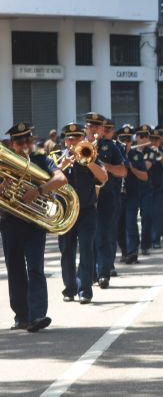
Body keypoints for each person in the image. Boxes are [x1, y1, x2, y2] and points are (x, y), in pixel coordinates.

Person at [0, 122, 67, 332]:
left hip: (34, 224)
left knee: (36, 268)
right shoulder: (4, 163)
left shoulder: (40, 159)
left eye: (28, 140)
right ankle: (21, 315)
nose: (26, 145)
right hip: (10, 222)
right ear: (13, 143)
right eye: (20, 142)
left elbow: (61, 178)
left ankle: (38, 314)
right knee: (16, 270)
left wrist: (39, 191)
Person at [56, 123, 108, 304]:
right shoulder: (56, 158)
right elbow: (45, 182)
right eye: (69, 138)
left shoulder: (90, 153)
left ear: (82, 139)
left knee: (86, 249)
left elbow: (103, 178)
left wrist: (89, 161)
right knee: (66, 251)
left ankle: (84, 290)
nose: (72, 141)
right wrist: (61, 166)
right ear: (64, 140)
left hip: (86, 212)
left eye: (76, 138)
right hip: (65, 212)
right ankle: (69, 288)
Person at [85, 113, 127, 290]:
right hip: (87, 199)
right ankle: (91, 274)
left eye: (97, 126)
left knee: (104, 236)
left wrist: (103, 165)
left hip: (107, 197)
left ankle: (103, 273)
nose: (94, 129)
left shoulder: (111, 147)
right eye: (91, 126)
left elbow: (123, 171)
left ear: (102, 129)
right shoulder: (80, 147)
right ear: (86, 128)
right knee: (88, 239)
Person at [122, 125, 150, 264]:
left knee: (130, 223)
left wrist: (132, 168)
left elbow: (145, 176)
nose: (125, 143)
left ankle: (132, 252)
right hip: (116, 196)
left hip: (132, 195)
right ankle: (124, 251)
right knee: (118, 226)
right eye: (122, 139)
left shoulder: (137, 156)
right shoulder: (114, 154)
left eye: (127, 140)